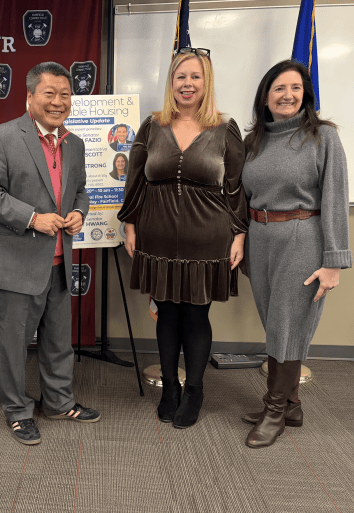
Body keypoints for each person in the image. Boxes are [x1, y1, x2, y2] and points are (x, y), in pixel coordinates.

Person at [118, 48, 248, 429]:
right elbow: (135, 180)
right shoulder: (152, 126)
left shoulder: (225, 128)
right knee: (167, 313)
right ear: (171, 83)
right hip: (156, 236)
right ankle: (170, 389)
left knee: (195, 314)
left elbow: (236, 188)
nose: (187, 84)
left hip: (207, 239)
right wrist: (130, 225)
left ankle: (194, 390)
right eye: (181, 77)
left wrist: (239, 234)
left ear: (206, 82)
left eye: (195, 77)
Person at [0, 61, 100, 446]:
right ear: (29, 96)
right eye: (50, 93)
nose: (59, 102)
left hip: (60, 264)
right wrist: (32, 218)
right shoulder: (1, 137)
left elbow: (80, 190)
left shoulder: (75, 143)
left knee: (59, 343)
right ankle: (17, 411)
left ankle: (59, 402)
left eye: (65, 95)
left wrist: (79, 212)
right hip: (16, 264)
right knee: (14, 346)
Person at [241, 59, 352, 448]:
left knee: (287, 327)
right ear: (265, 97)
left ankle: (274, 412)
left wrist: (334, 262)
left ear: (306, 95)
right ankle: (291, 405)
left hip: (302, 239)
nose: (287, 95)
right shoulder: (253, 141)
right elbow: (242, 196)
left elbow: (336, 198)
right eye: (278, 88)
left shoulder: (323, 137)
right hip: (260, 240)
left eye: (295, 88)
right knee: (275, 326)